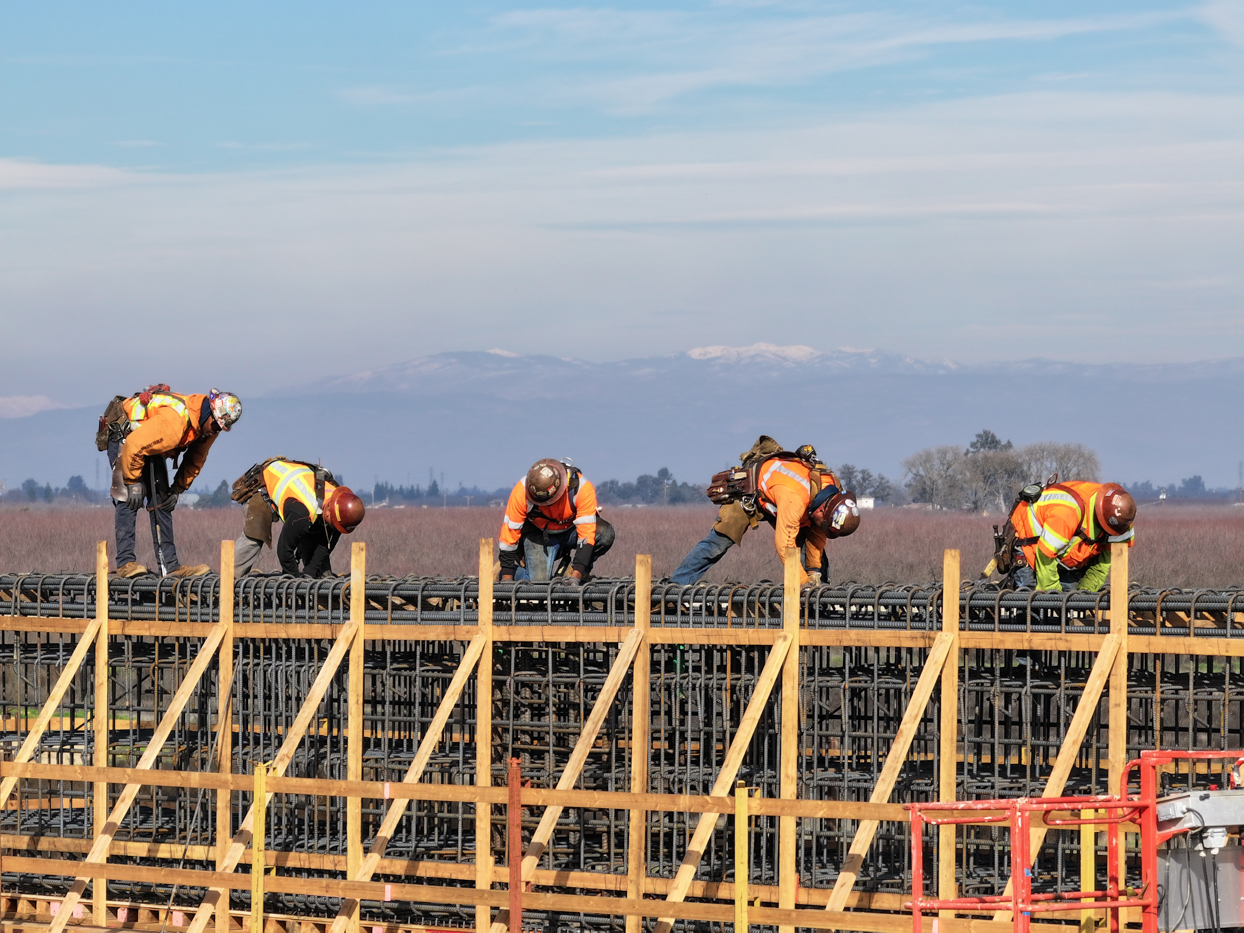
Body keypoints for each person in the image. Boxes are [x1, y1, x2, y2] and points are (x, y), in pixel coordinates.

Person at [669, 441, 859, 586]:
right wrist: (802, 582)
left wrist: (814, 571)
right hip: (750, 495)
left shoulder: (831, 491)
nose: (822, 527)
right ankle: (675, 588)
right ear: (822, 510)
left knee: (812, 555)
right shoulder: (795, 498)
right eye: (823, 523)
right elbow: (785, 546)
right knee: (717, 543)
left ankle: (815, 604)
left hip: (781, 500)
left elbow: (817, 536)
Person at [103, 386, 242, 578]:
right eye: (216, 426)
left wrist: (177, 488)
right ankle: (125, 563)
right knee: (128, 497)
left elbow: (196, 458)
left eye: (220, 428)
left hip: (150, 443)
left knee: (162, 500)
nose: (215, 431)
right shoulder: (175, 423)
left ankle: (170, 567)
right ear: (209, 413)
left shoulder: (207, 427)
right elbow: (135, 445)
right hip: (125, 437)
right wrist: (132, 481)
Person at [231, 458, 366, 578]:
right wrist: (295, 583)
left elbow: (325, 545)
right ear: (329, 511)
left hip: (299, 497)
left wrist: (310, 573)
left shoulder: (340, 507)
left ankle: (322, 590)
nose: (335, 528)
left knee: (317, 532)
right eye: (334, 524)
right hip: (264, 485)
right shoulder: (303, 513)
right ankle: (229, 581)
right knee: (255, 535)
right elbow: (284, 551)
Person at [498, 459, 614, 582]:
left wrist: (575, 578)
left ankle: (578, 572)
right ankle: (510, 572)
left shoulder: (581, 488)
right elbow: (509, 535)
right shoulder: (521, 491)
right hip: (540, 534)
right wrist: (506, 576)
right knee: (538, 586)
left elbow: (586, 536)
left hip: (571, 531)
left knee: (605, 534)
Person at [1008, 481, 1135, 592]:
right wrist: (1054, 596)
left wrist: (1083, 596)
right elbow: (1045, 555)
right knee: (1031, 602)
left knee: (1070, 597)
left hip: (1062, 557)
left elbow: (1102, 567)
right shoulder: (1067, 513)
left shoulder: (1122, 520)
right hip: (1027, 542)